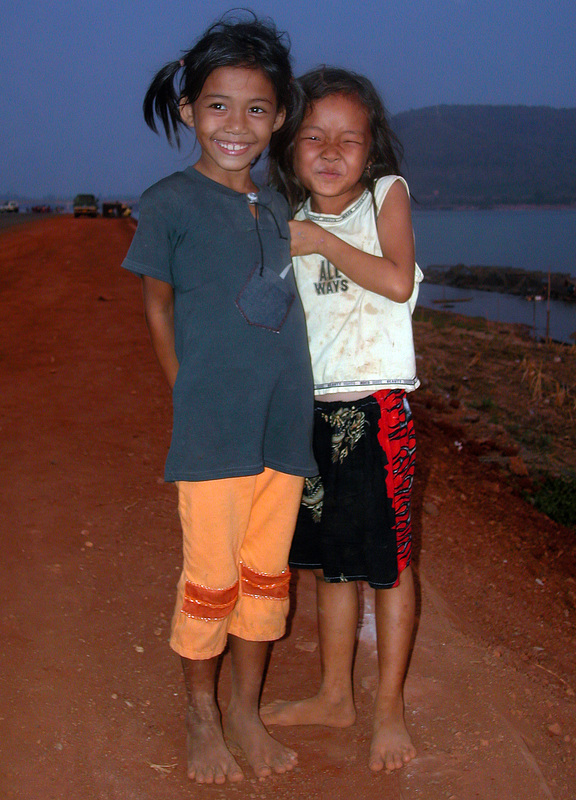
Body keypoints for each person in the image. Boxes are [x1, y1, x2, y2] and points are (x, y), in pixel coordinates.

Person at [121, 14, 317, 784]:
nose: (236, 125)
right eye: (217, 105)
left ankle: (245, 709)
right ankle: (202, 717)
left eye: (257, 109)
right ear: (187, 110)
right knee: (211, 579)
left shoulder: (275, 208)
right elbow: (158, 308)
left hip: (283, 430)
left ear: (277, 118)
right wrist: (186, 393)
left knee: (267, 578)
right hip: (214, 432)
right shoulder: (167, 201)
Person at [262, 66, 422, 773]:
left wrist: (321, 242)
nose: (330, 152)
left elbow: (394, 279)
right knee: (331, 565)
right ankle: (335, 695)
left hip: (378, 406)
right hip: (315, 412)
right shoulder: (284, 221)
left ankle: (387, 709)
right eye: (313, 138)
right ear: (290, 147)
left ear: (371, 149)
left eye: (348, 140)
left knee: (386, 567)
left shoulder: (385, 196)